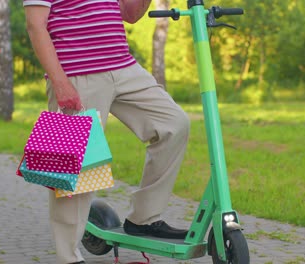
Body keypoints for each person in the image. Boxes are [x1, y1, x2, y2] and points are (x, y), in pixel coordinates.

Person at [23, 0, 190, 263]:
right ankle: (68, 257)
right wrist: (60, 82)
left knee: (175, 124)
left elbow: (130, 15)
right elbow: (35, 26)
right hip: (77, 74)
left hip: (123, 66)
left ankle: (143, 219)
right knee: (76, 169)